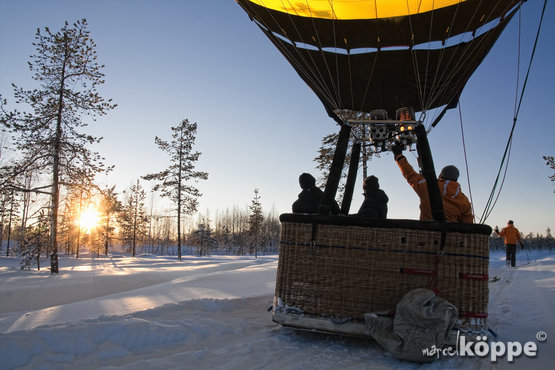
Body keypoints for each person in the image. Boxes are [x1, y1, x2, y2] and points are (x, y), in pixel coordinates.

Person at [391, 145, 473, 223]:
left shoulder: (427, 187)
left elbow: (410, 174)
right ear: (456, 179)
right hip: (450, 235)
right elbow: (468, 223)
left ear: (440, 175)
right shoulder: (464, 201)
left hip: (427, 233)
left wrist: (398, 155)